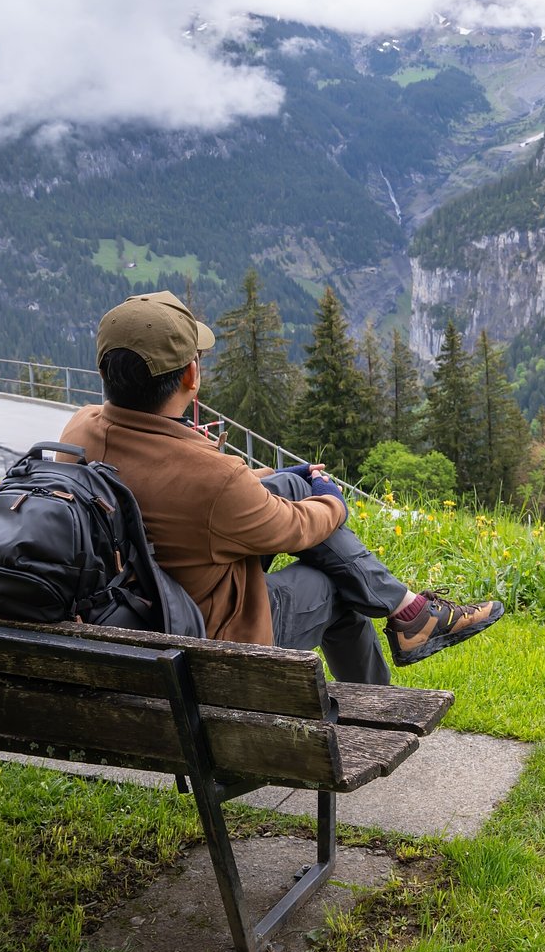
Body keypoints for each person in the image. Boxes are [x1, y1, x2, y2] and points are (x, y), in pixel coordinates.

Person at [60, 290, 500, 683]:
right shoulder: (213, 479)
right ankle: (382, 698)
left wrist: (277, 477)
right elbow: (291, 527)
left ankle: (409, 610)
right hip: (207, 640)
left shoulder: (80, 430)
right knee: (334, 586)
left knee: (291, 484)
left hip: (133, 610)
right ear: (191, 376)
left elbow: (179, 486)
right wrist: (332, 500)